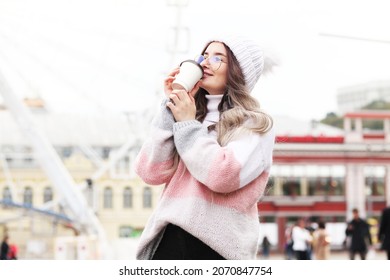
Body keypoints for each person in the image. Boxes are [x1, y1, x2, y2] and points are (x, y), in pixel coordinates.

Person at [134, 35, 277, 260]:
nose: (205, 63)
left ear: (238, 72)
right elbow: (149, 172)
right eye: (204, 56)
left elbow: (223, 175)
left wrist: (188, 125)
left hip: (217, 248)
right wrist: (170, 107)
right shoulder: (189, 117)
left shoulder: (254, 124)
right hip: (168, 239)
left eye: (218, 58)